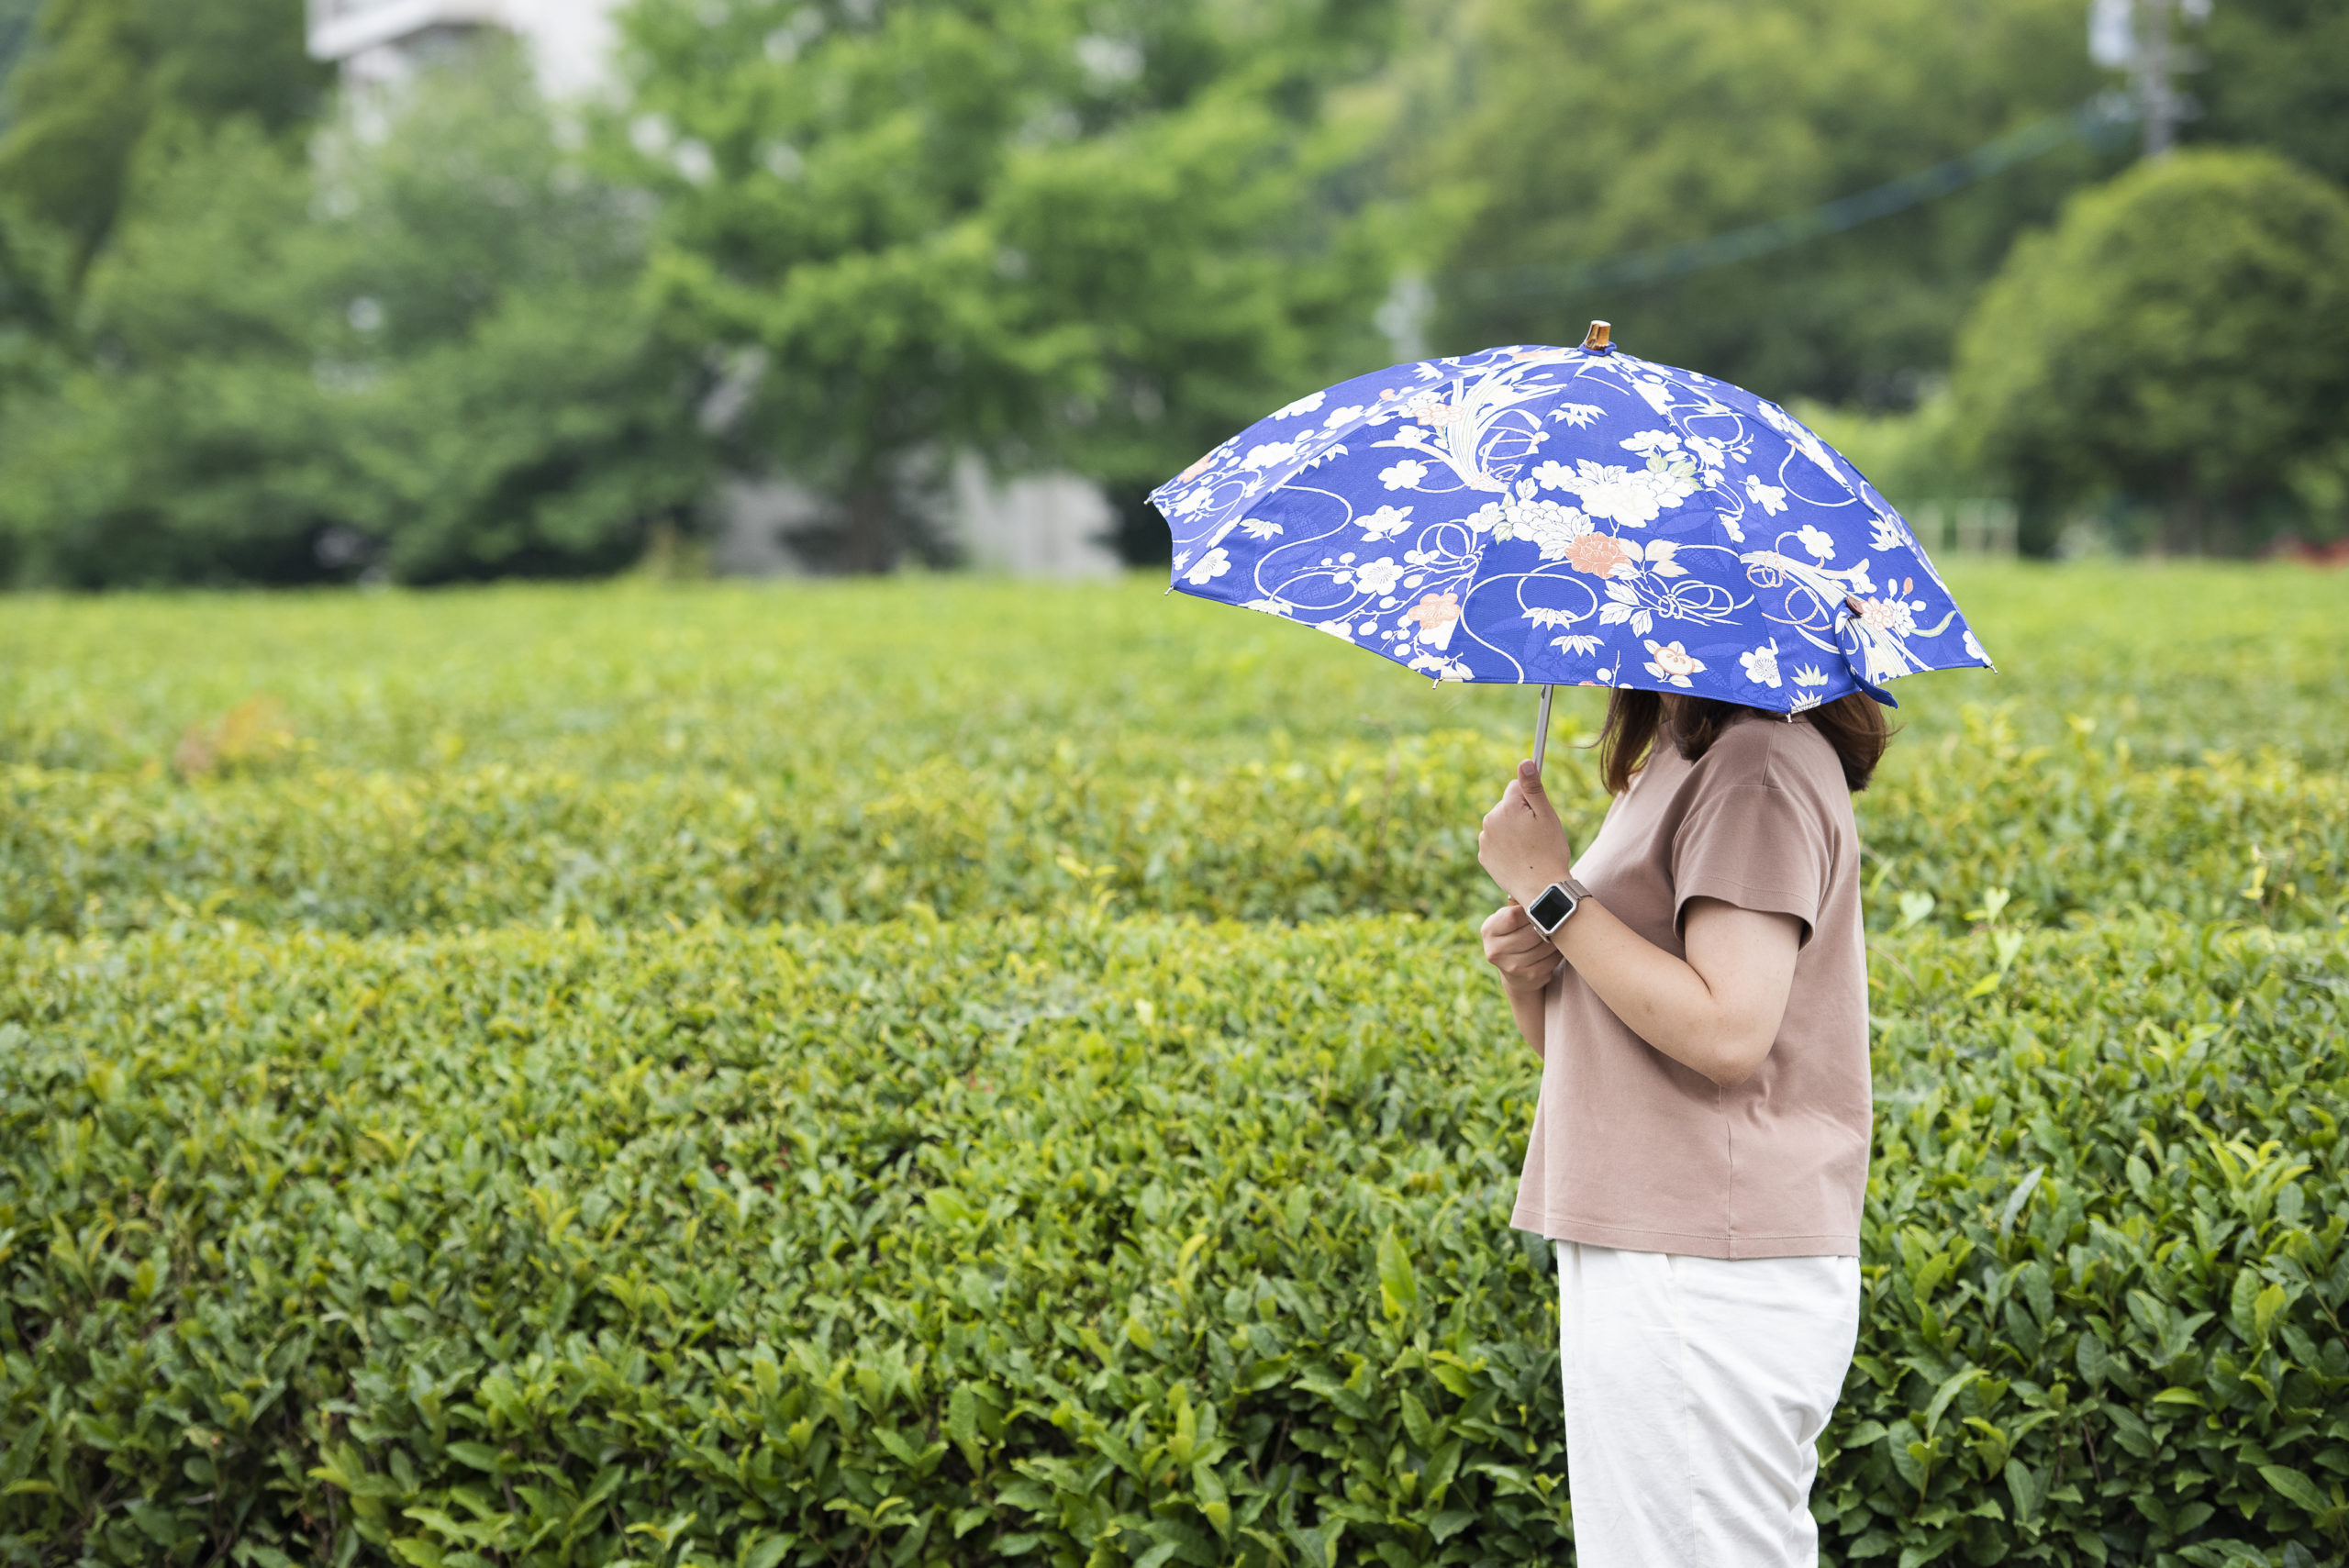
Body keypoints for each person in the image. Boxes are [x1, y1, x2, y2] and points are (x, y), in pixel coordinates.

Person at [1475, 685, 1889, 1568]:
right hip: (1659, 1240)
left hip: (1707, 1261)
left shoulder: (1756, 766)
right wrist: (1532, 967)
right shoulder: (1679, 749)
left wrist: (1554, 892)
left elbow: (1728, 1031)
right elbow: (1597, 1062)